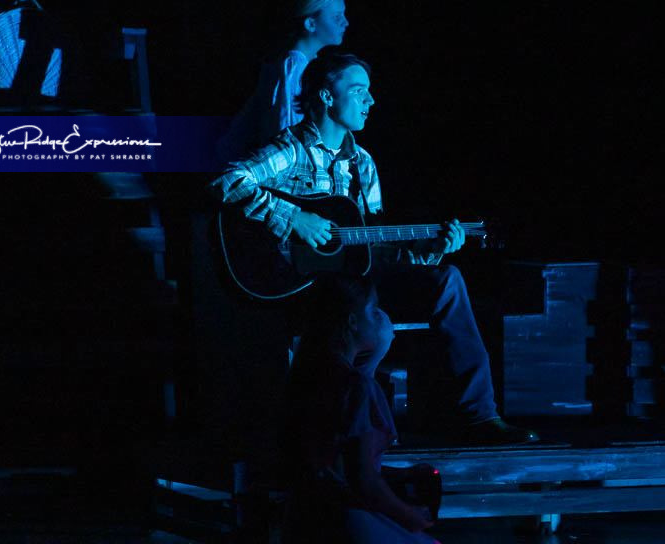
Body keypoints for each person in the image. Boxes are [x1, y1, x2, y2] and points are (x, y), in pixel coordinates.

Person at [211, 50, 538, 446]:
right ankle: (348, 424)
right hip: (297, 282)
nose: (370, 100)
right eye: (358, 90)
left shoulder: (362, 164)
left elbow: (373, 247)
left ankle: (481, 416)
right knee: (373, 324)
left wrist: (430, 250)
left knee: (446, 278)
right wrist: (294, 218)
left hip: (355, 282)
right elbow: (228, 181)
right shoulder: (291, 149)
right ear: (326, 96)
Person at [281, 271, 440, 543]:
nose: (381, 320)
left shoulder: (305, 379)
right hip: (346, 523)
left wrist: (400, 474)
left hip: (303, 520)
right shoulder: (355, 387)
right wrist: (411, 517)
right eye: (374, 310)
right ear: (353, 322)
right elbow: (363, 480)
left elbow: (335, 466)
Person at [216, 0, 349, 161]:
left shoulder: (307, 65)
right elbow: (284, 133)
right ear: (311, 23)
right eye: (336, 17)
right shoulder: (293, 68)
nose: (345, 23)